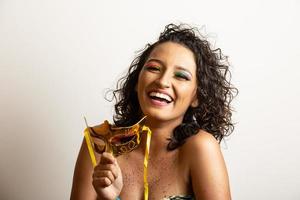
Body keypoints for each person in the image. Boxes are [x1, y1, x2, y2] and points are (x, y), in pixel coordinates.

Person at [71, 23, 237, 200]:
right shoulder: (99, 144)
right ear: (136, 82)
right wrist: (106, 197)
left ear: (197, 96)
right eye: (154, 68)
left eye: (181, 76)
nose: (163, 81)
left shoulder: (201, 148)